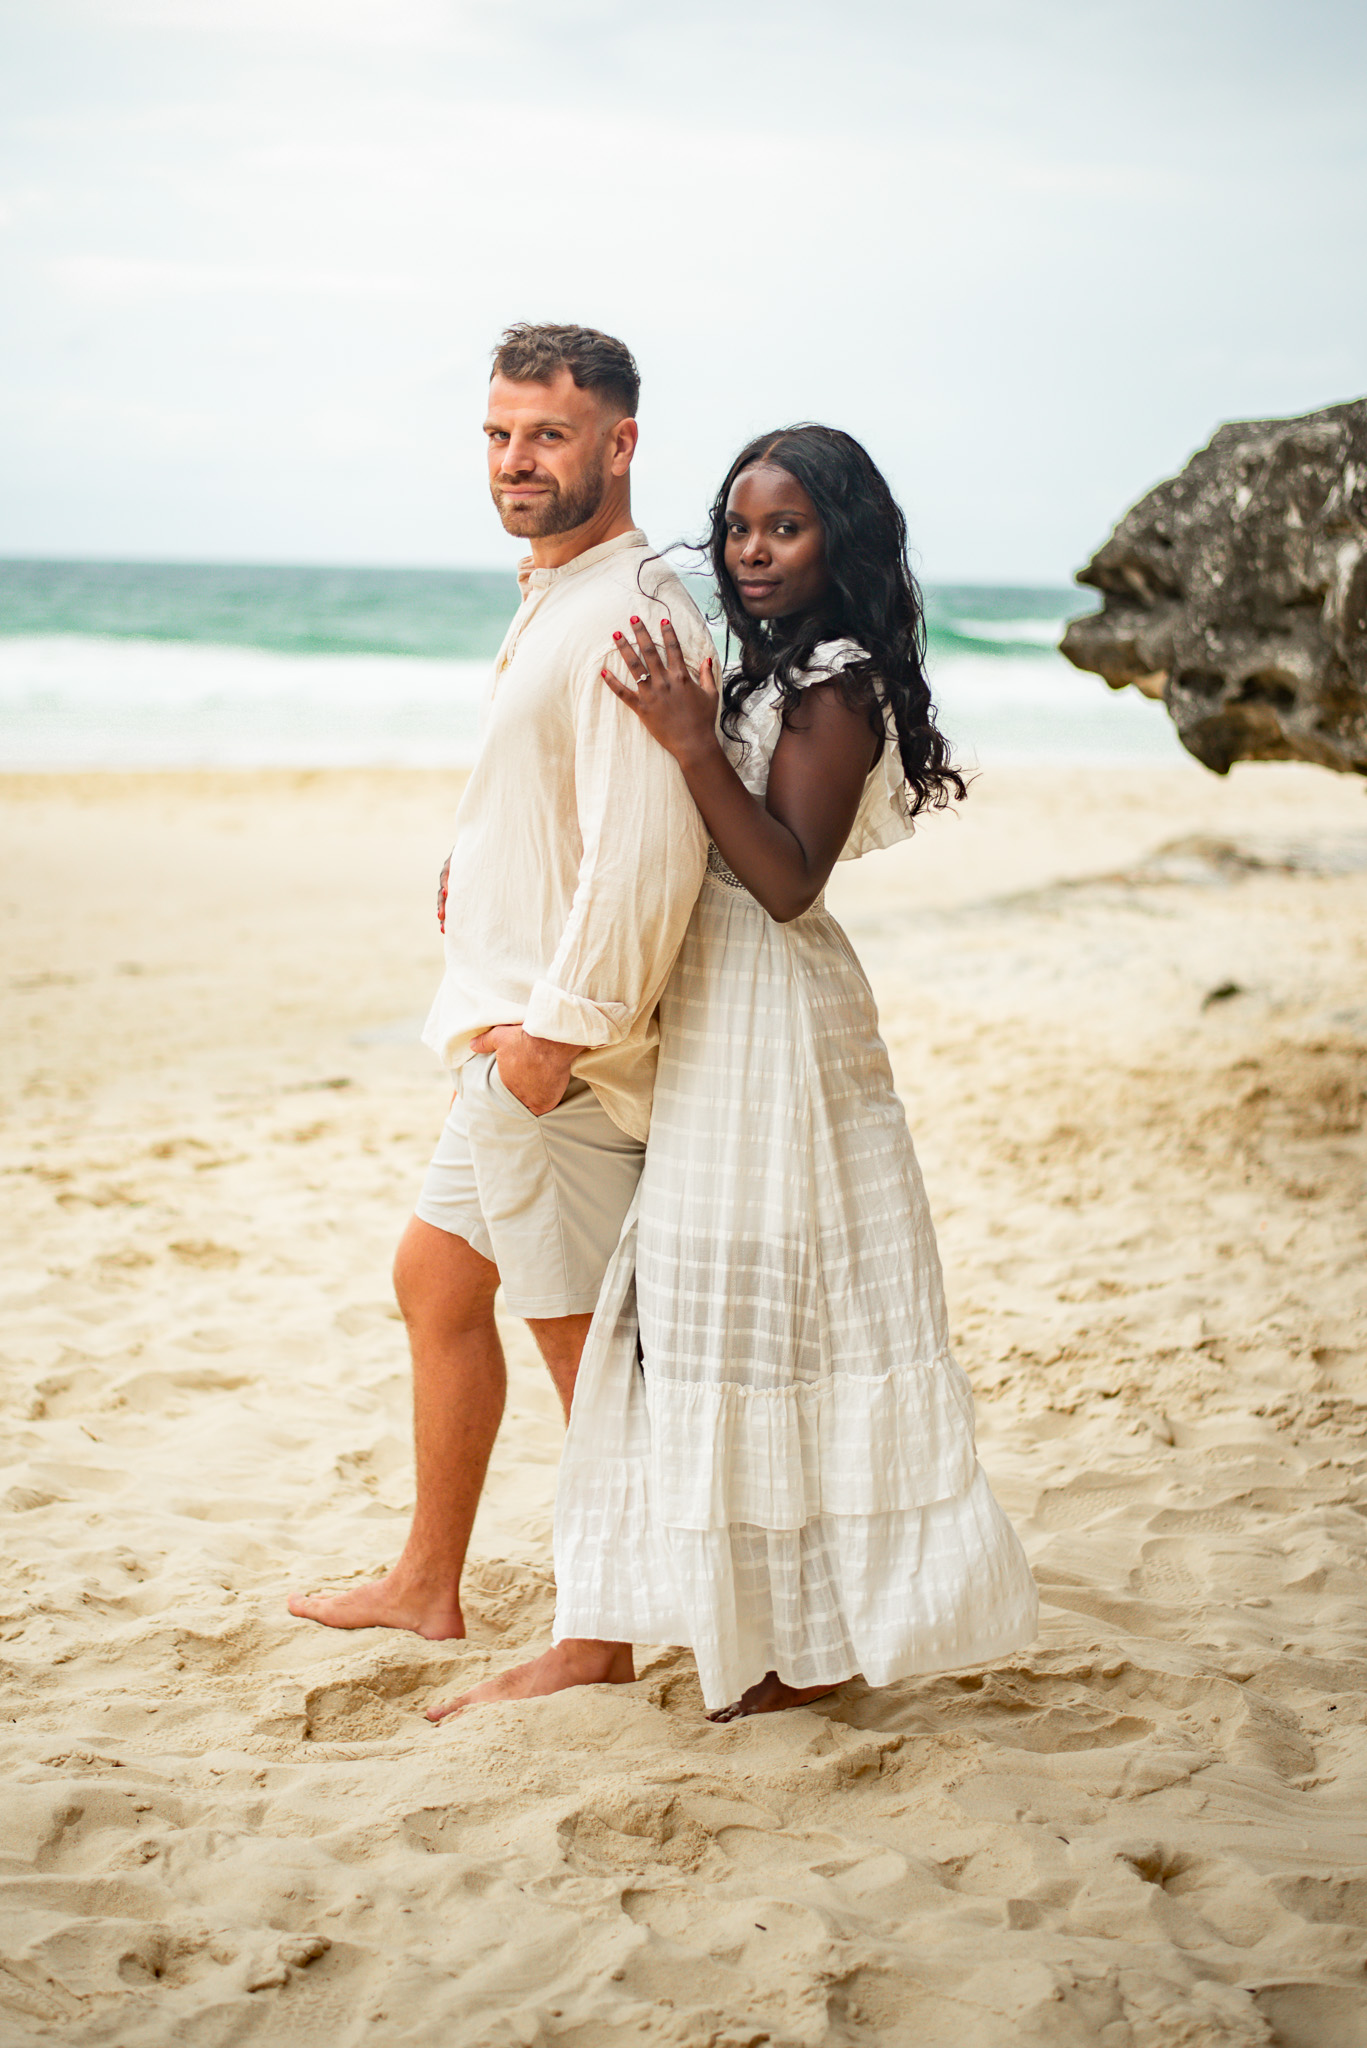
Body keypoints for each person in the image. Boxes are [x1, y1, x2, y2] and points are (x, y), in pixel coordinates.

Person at [430, 423, 1038, 1720]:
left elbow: (781, 879)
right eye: (741, 528)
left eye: (787, 529)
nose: (753, 554)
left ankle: (800, 1651)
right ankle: (755, 1633)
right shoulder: (770, 661)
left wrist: (688, 738)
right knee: (717, 1331)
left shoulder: (839, 681)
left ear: (844, 540)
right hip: (715, 1015)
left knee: (768, 1326)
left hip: (775, 1019)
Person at [289, 324, 711, 1642]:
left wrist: (555, 1037)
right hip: (510, 1019)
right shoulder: (561, 593)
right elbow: (565, 807)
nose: (515, 460)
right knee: (435, 1277)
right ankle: (428, 1586)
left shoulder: (629, 610)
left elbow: (649, 854)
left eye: (547, 434)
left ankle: (636, 1629)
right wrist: (476, 867)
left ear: (619, 444)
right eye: (497, 434)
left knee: (588, 1360)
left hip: (553, 1052)